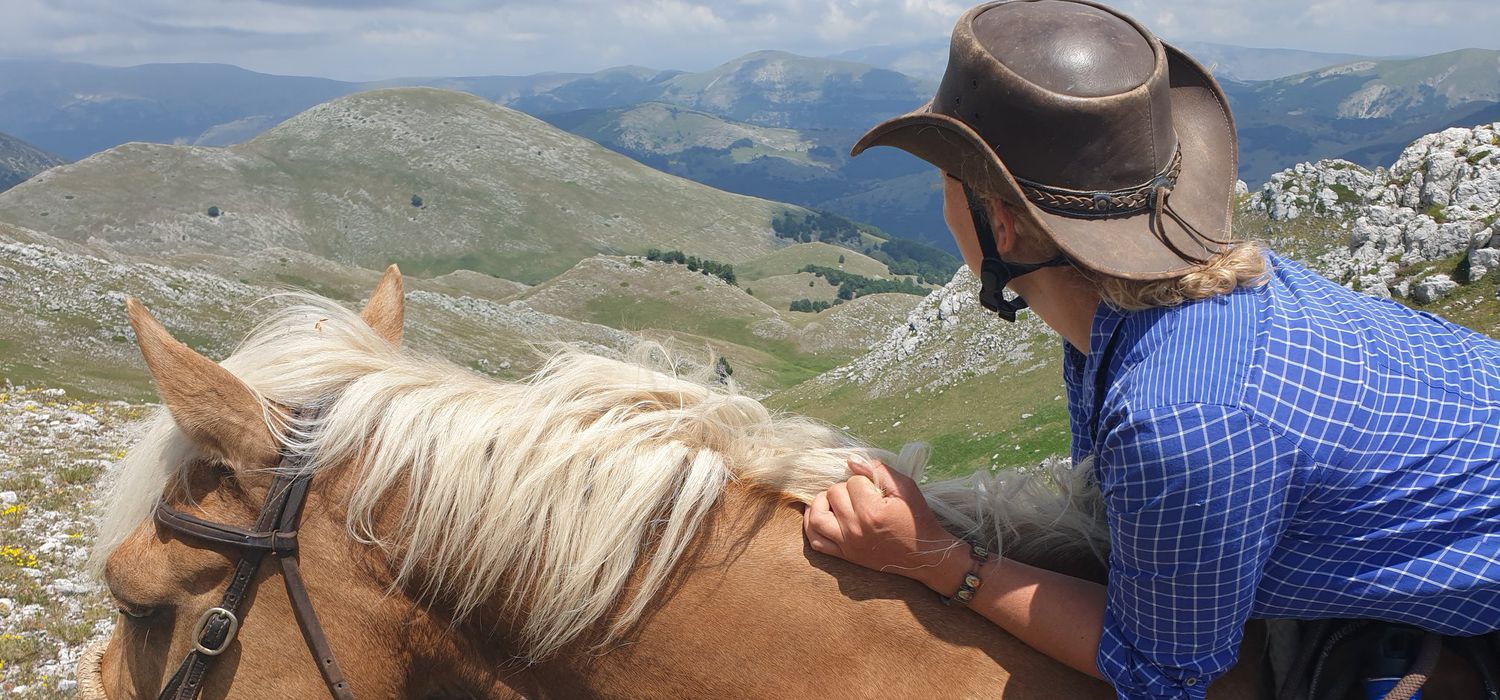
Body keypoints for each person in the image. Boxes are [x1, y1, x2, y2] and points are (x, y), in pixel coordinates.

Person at [801, 1, 1500, 698]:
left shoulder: (1179, 416)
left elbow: (1161, 671)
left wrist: (940, 560)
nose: (941, 198)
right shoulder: (1161, 300)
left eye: (947, 183)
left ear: (1001, 228)